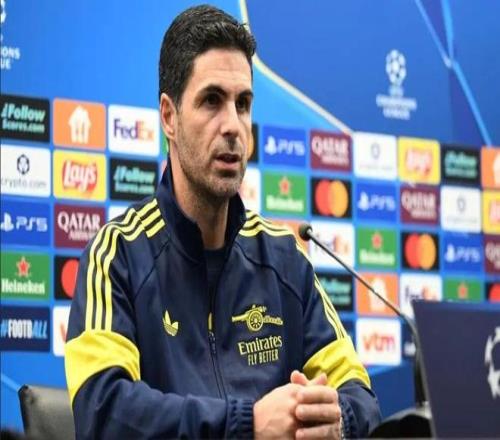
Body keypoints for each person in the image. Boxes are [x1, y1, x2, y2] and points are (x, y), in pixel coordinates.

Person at [65, 4, 381, 439]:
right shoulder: (117, 256)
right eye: (212, 101)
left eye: (243, 104)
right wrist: (247, 425)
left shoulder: (285, 259)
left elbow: (361, 399)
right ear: (169, 116)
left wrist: (337, 419)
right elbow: (104, 412)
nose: (233, 125)